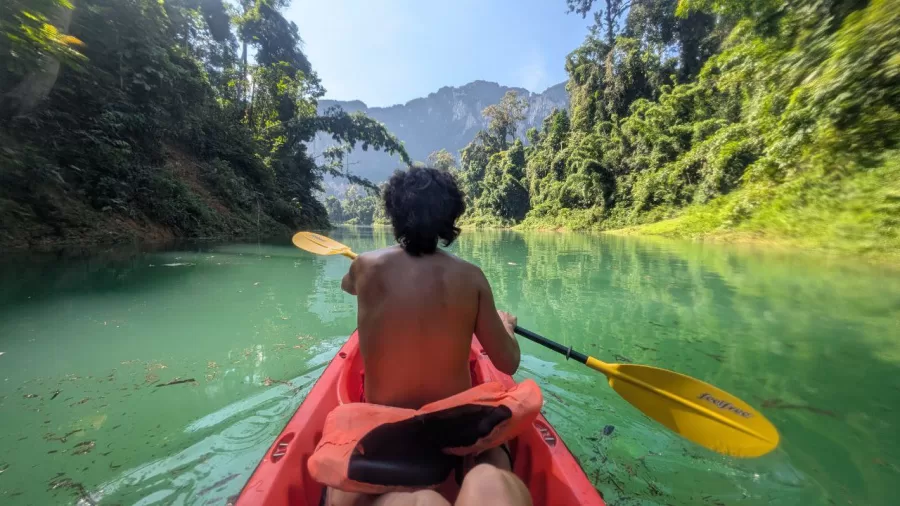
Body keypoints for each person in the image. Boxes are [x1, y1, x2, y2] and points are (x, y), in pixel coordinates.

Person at [331, 167, 532, 506]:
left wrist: (364, 266)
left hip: (388, 427)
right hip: (455, 428)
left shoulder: (365, 266)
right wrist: (506, 328)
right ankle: (478, 473)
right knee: (492, 470)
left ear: (394, 216)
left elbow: (347, 287)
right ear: (449, 219)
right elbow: (507, 362)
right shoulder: (472, 277)